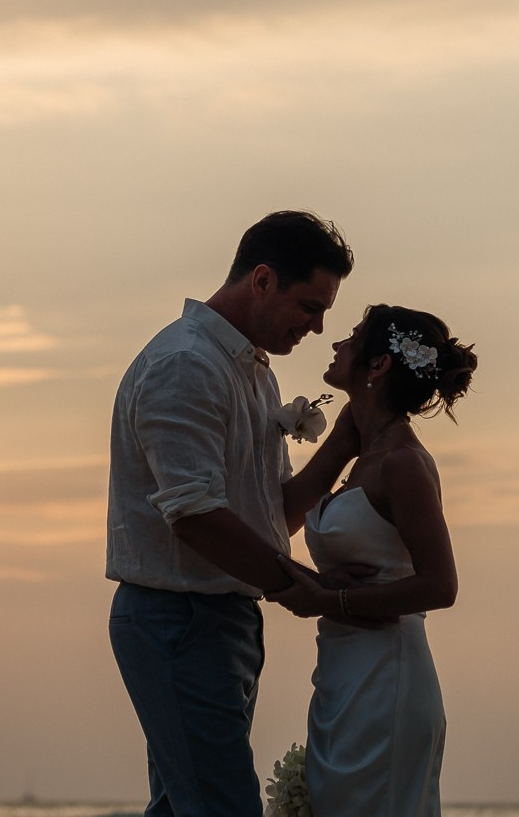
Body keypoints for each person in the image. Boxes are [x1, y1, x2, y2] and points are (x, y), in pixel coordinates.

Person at [105, 210, 366, 817]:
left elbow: (269, 515)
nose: (318, 327)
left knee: (183, 806)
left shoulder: (252, 374)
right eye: (310, 307)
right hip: (179, 617)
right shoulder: (185, 365)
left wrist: (344, 441)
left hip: (221, 618)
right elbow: (194, 515)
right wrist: (306, 588)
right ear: (263, 280)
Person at [276, 304, 478, 817]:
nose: (337, 344)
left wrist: (333, 599)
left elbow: (441, 586)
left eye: (352, 337)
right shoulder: (361, 452)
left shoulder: (403, 464)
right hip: (340, 671)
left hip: (388, 674)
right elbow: (279, 518)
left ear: (380, 364)